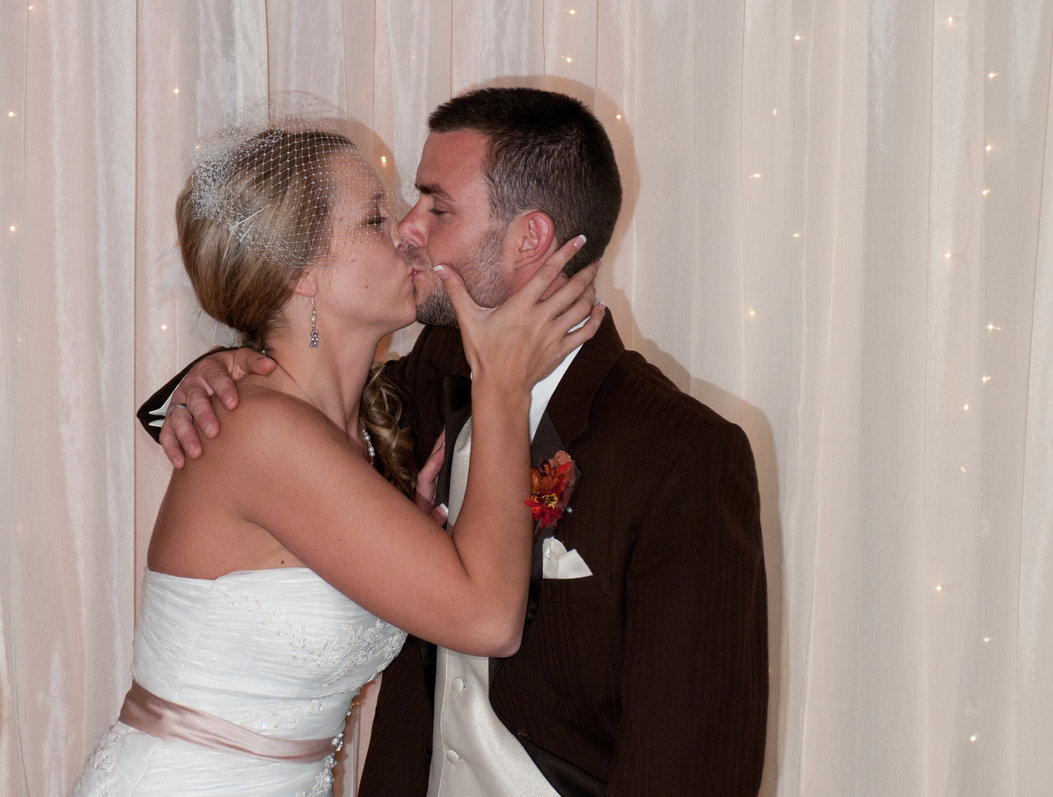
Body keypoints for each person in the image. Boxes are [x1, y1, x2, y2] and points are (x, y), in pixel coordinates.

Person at [149, 88, 769, 796]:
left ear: (528, 239)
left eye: (435, 207)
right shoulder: (426, 380)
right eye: (390, 212)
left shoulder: (682, 457)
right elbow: (284, 415)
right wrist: (218, 370)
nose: (409, 231)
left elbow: (693, 768)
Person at [74, 122, 601, 796]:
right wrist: (502, 382)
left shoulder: (364, 427)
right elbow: (487, 619)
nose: (409, 232)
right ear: (300, 273)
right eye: (376, 218)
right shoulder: (262, 429)